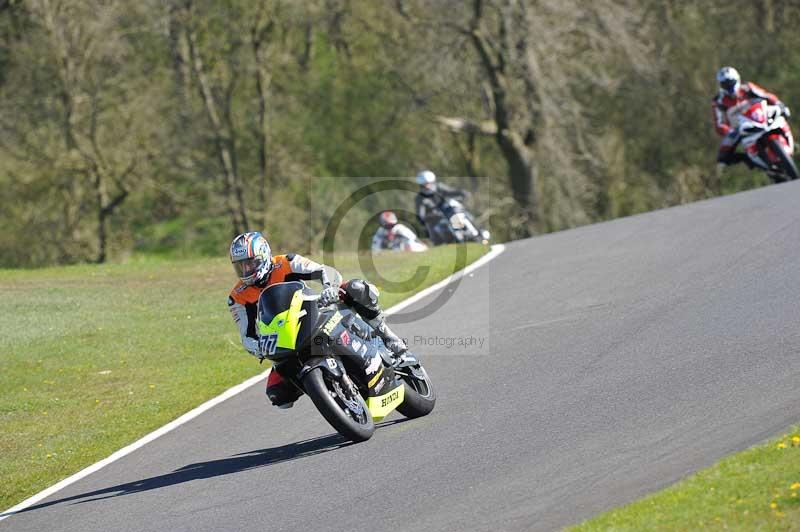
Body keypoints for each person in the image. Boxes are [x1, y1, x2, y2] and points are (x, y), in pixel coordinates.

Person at [227, 231, 407, 408]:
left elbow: (323, 270)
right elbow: (246, 334)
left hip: (312, 315)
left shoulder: (285, 263)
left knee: (354, 288)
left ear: (264, 256)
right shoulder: (237, 297)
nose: (246, 270)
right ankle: (330, 391)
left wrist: (329, 287)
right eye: (240, 266)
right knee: (278, 394)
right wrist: (256, 347)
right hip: (283, 339)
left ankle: (388, 336)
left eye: (250, 263)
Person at [712, 66, 790, 174]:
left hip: (760, 116)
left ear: (737, 80)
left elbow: (766, 95)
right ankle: (750, 160)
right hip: (741, 128)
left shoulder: (747, 88)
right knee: (723, 157)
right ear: (720, 85)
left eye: (731, 82)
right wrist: (729, 131)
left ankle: (789, 142)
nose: (729, 86)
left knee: (782, 113)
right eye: (725, 84)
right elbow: (719, 124)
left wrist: (779, 104)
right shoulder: (718, 101)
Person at [414, 170, 469, 244]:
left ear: (432, 182)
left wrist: (461, 193)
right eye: (424, 184)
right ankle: (451, 241)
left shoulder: (439, 187)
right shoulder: (419, 198)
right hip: (436, 217)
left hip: (448, 210)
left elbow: (450, 192)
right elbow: (420, 212)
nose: (427, 186)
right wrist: (422, 219)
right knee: (435, 234)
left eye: (428, 183)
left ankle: (465, 230)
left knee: (457, 214)